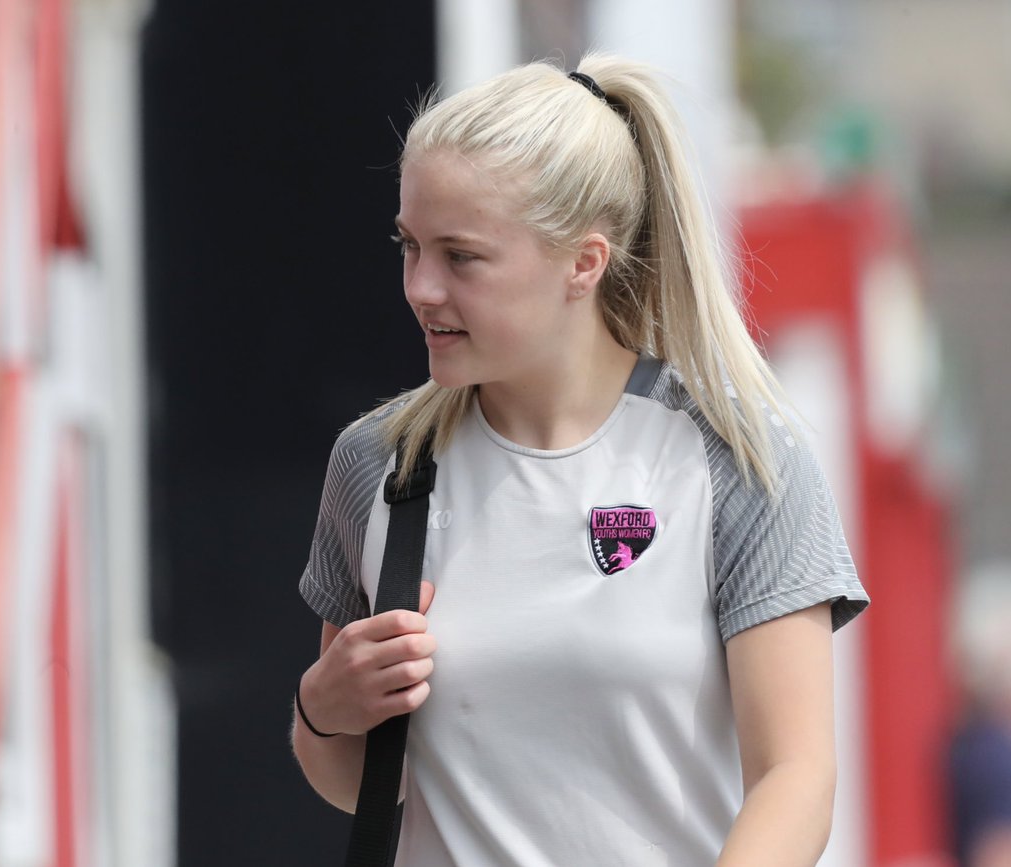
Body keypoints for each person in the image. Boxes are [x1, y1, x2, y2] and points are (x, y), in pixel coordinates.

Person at [292, 53, 869, 866]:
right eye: (409, 245)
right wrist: (322, 708)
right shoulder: (379, 465)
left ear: (584, 262)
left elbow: (795, 776)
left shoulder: (734, 457)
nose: (421, 286)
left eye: (461, 255)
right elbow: (368, 783)